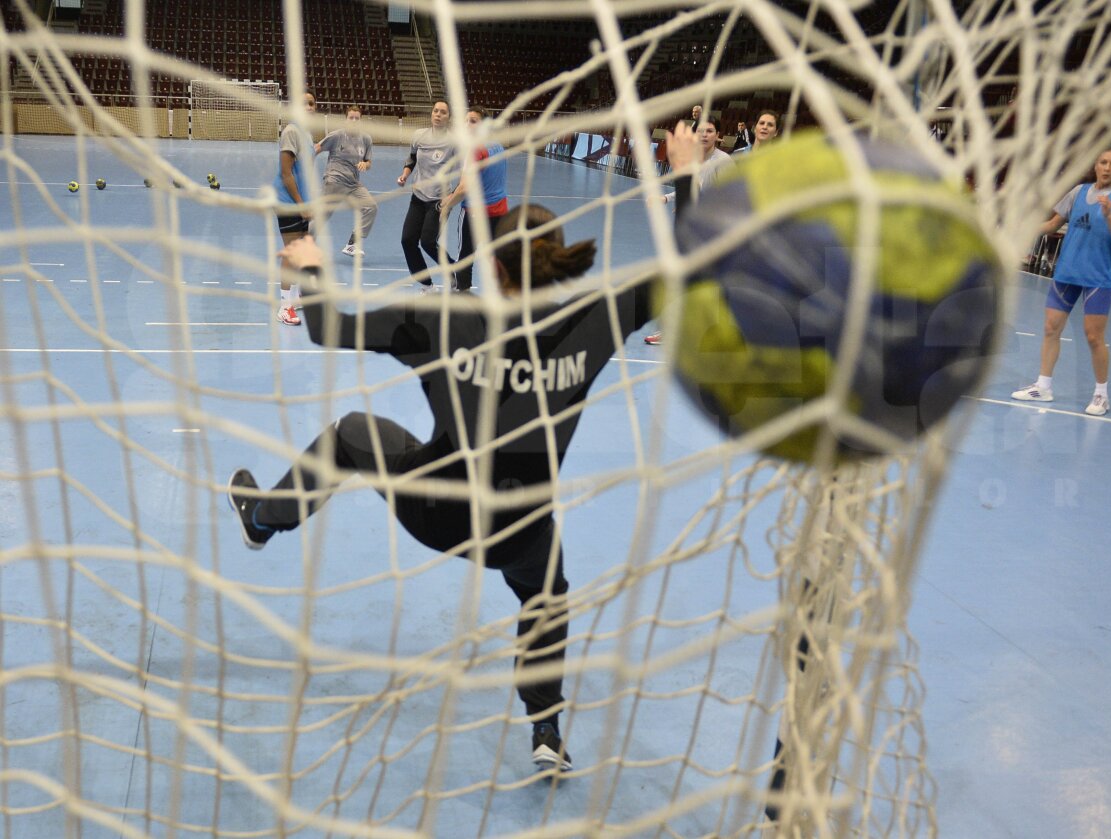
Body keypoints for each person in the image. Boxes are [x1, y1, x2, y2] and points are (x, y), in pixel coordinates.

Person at [225, 125, 708, 769]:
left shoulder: (446, 323)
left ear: (495, 266)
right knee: (546, 595)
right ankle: (546, 731)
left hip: (438, 509)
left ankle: (262, 519)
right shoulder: (587, 327)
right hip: (518, 530)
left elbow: (323, 325)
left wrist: (309, 266)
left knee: (349, 435)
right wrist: (683, 175)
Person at [1011, 146, 1111, 416]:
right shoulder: (1078, 192)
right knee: (1050, 328)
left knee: (1093, 337)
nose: (1107, 167)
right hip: (1066, 273)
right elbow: (1054, 224)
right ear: (1096, 165)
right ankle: (1043, 387)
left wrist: (1110, 217)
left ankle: (1101, 395)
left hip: (1097, 278)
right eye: (1103, 161)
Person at [644, 119, 733, 345]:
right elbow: (691, 188)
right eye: (700, 130)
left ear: (718, 135)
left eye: (710, 130)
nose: (704, 134)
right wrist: (666, 198)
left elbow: (729, 196)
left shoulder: (724, 162)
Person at [439, 108, 508, 292]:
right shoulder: (497, 146)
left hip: (475, 214)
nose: (468, 125)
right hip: (500, 212)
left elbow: (465, 188)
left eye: (473, 121)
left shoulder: (474, 151)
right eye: (466, 121)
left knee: (466, 255)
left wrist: (448, 204)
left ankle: (464, 293)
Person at [397, 101, 453, 289]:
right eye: (435, 111)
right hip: (418, 197)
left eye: (443, 112)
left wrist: (451, 196)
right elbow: (412, 157)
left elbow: (464, 172)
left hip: (440, 200)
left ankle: (452, 269)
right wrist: (405, 173)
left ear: (448, 117)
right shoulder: (419, 136)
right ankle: (426, 284)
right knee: (407, 240)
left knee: (428, 242)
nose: (438, 114)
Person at [273, 91, 317, 326]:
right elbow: (286, 172)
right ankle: (284, 307)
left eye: (311, 104)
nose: (307, 108)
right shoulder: (291, 132)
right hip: (288, 201)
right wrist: (301, 204)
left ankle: (297, 296)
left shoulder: (306, 134)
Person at [315, 105, 377, 257]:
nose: (354, 121)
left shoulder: (366, 139)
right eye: (351, 118)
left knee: (370, 207)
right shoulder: (337, 136)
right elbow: (317, 148)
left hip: (353, 184)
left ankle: (352, 244)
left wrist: (365, 164)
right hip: (335, 180)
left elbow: (368, 162)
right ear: (346, 119)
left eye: (357, 118)